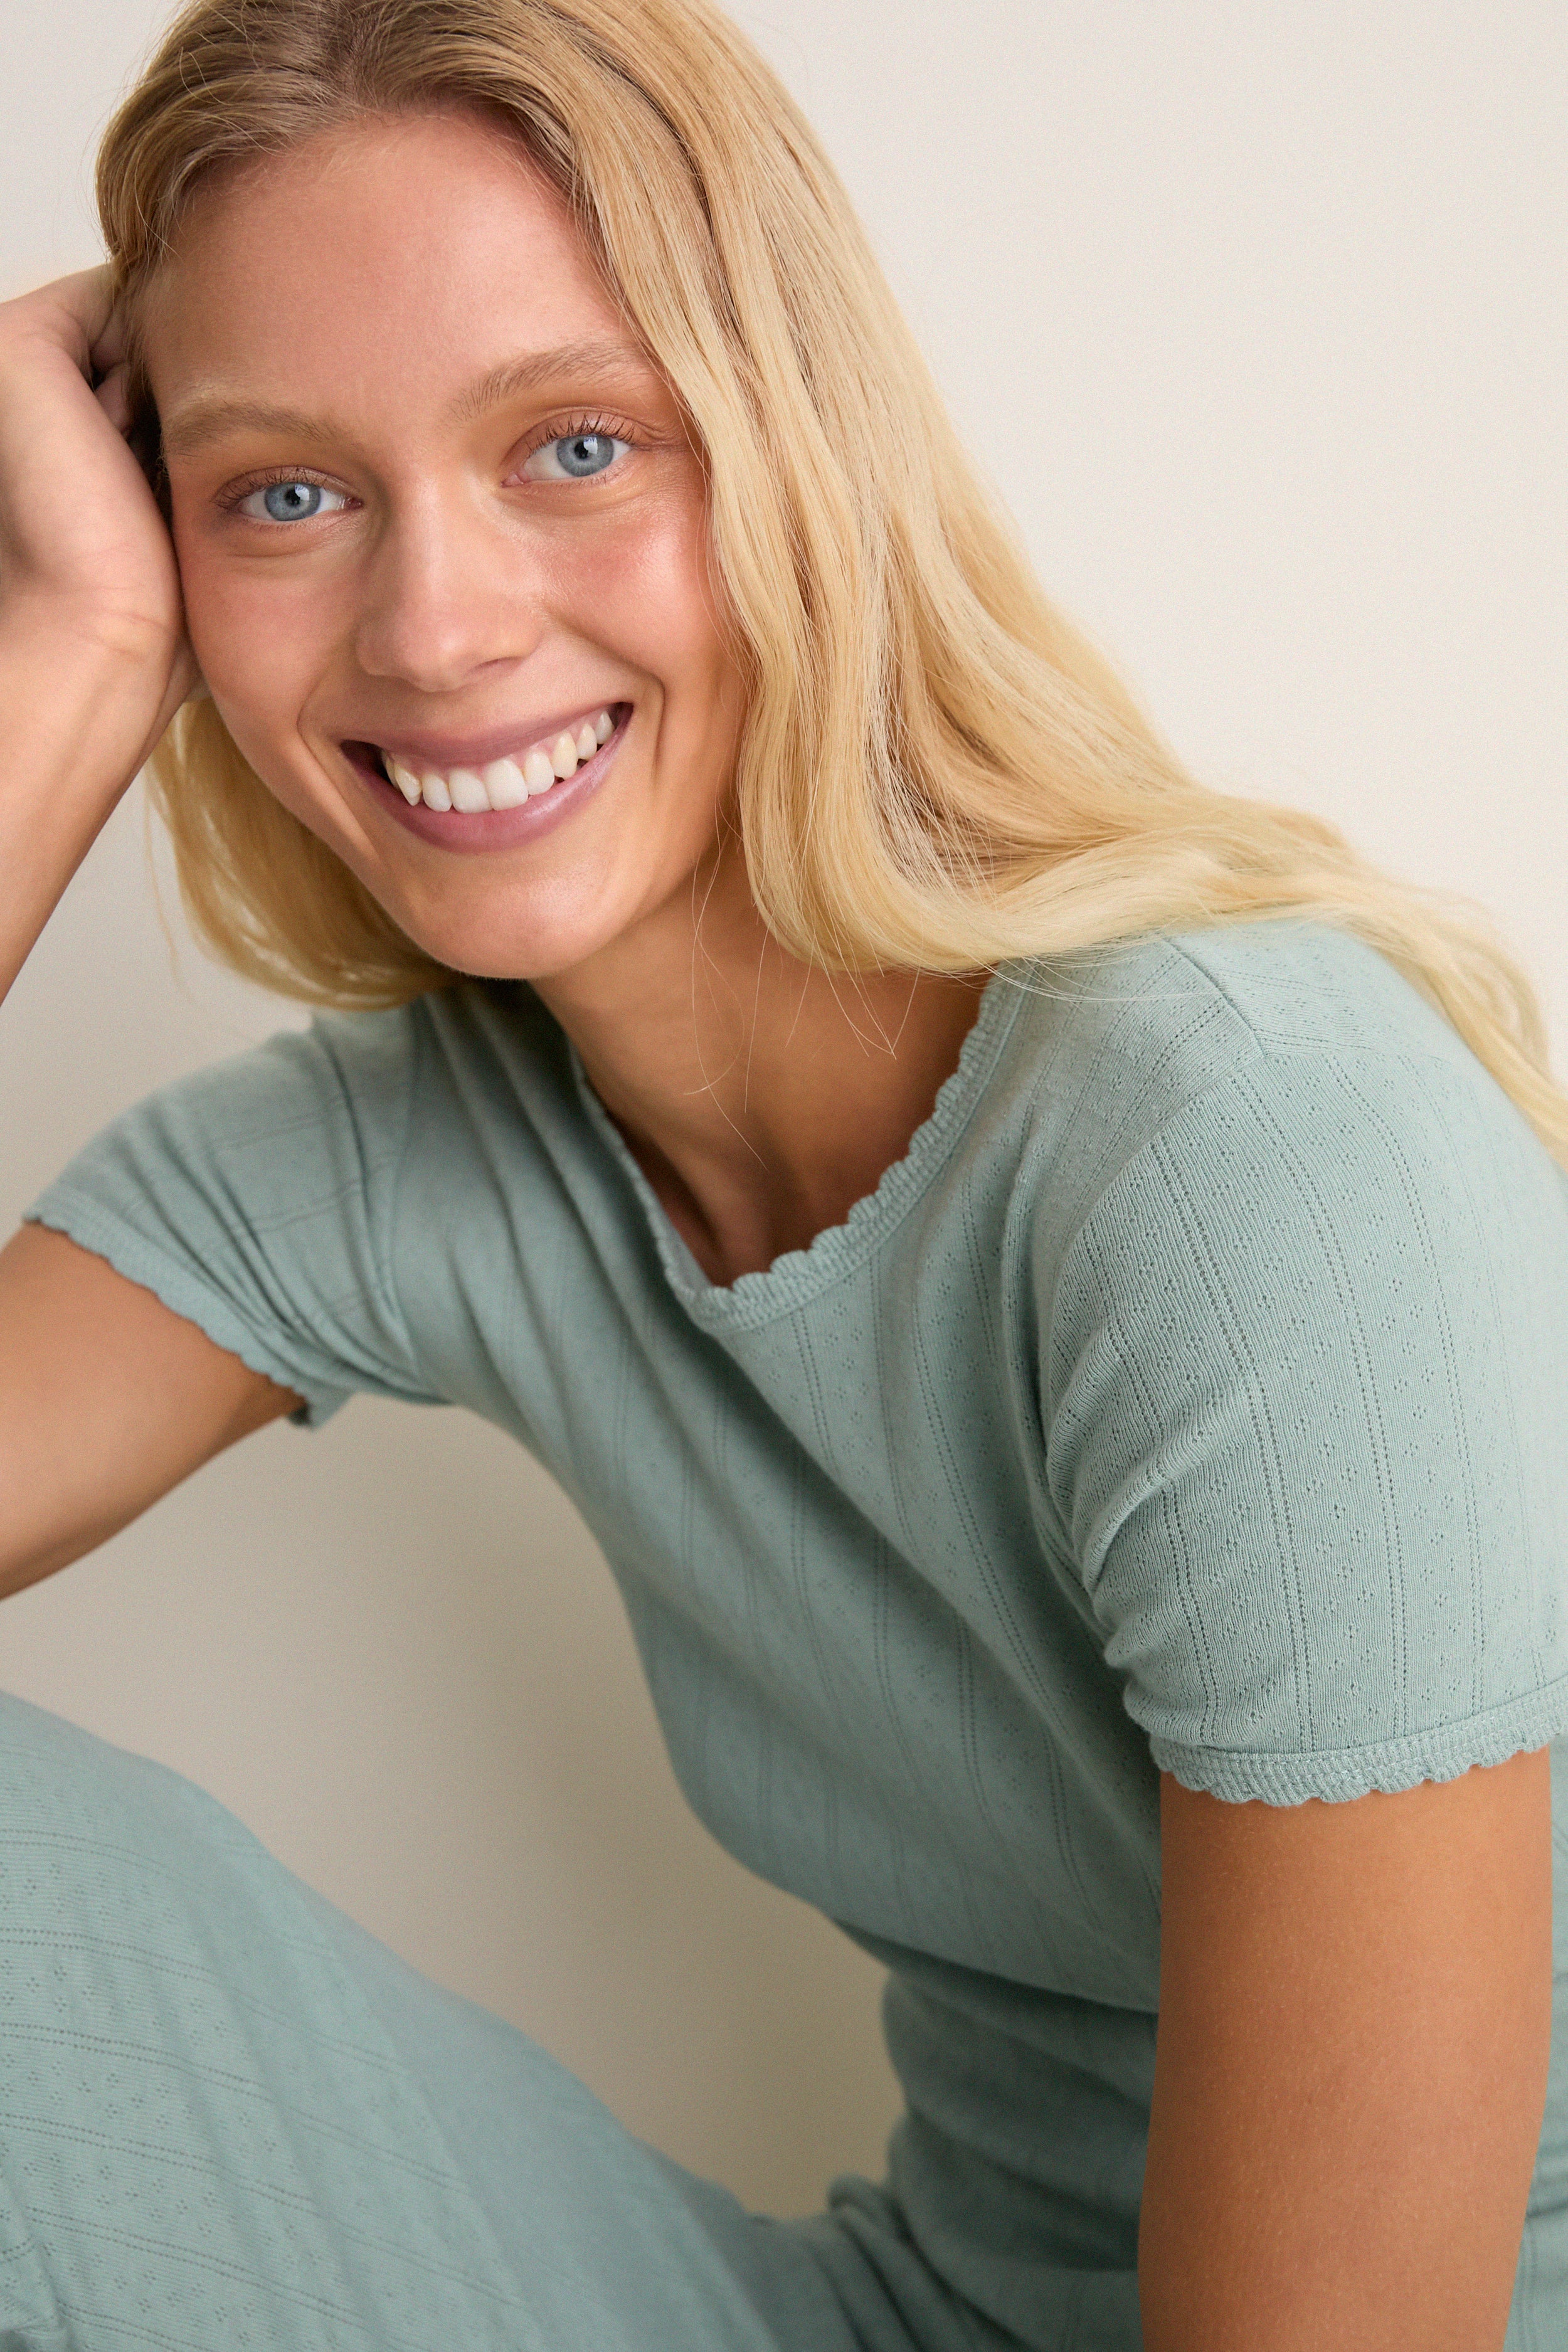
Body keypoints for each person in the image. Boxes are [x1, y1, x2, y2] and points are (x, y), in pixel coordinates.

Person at [0, 0, 1564, 2344]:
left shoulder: (1252, 1161)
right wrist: (63, 658)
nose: (435, 630)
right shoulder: (402, 1159)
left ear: (796, 450)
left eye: (576, 443)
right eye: (282, 496)